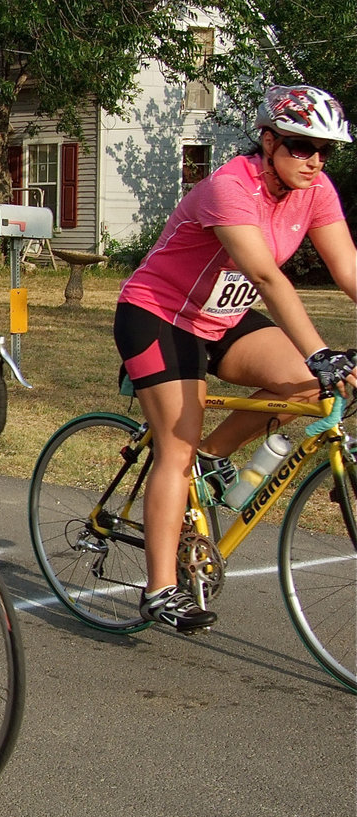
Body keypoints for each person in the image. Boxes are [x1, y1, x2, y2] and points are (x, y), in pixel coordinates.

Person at [115, 84, 357, 633]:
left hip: (223, 317)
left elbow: (348, 270)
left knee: (308, 385)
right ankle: (159, 589)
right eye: (301, 146)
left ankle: (213, 455)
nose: (314, 160)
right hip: (159, 314)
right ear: (268, 141)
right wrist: (320, 350)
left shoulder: (315, 190)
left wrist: (315, 364)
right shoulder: (229, 187)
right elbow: (266, 276)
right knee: (175, 448)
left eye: (324, 150)